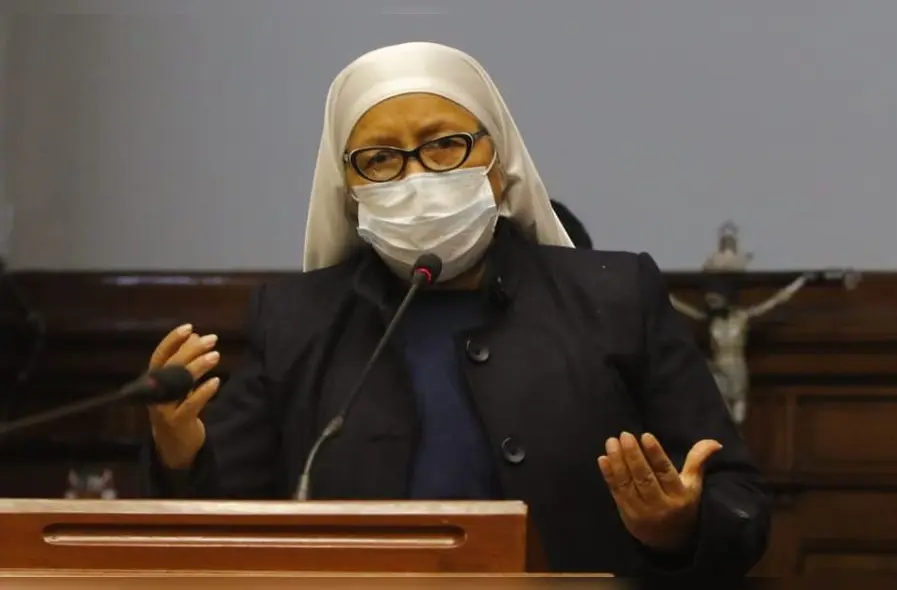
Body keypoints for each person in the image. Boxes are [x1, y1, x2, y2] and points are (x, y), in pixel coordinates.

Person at [141, 42, 770, 578]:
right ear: (349, 190)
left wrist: (677, 527)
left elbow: (738, 500)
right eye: (379, 159)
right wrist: (178, 455)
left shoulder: (614, 296)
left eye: (445, 145)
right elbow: (228, 531)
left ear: (498, 165)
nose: (415, 175)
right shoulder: (296, 321)